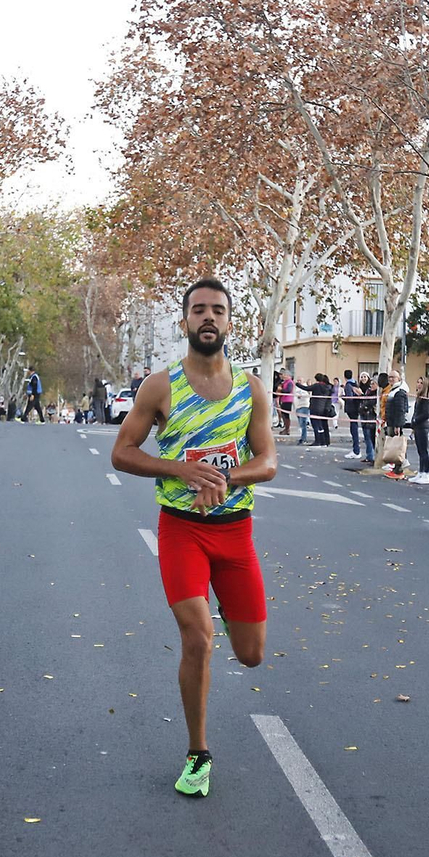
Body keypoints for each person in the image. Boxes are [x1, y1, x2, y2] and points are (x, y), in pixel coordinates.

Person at [110, 277, 276, 798]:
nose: (208, 318)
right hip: (181, 531)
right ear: (185, 322)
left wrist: (226, 477)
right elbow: (122, 452)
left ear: (230, 322)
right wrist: (180, 470)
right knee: (198, 639)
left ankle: (226, 606)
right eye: (199, 310)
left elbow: (268, 461)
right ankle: (198, 754)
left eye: (217, 310)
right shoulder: (160, 387)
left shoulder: (251, 389)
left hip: (235, 534)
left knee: (250, 654)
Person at [382, 371, 409, 476]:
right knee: (394, 446)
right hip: (391, 422)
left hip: (395, 423)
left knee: (397, 447)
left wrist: (398, 425)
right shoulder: (393, 390)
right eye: (389, 377)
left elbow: (400, 410)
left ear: (399, 378)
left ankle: (399, 470)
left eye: (393, 377)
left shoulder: (399, 392)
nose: (391, 379)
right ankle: (396, 468)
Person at [408, 378, 429, 481]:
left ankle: (425, 474)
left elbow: (426, 414)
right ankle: (421, 472)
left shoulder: (426, 399)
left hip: (423, 426)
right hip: (418, 426)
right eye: (418, 382)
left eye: (421, 383)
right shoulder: (419, 397)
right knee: (420, 450)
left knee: (424, 451)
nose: (418, 385)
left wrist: (415, 420)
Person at [308, 373, 333, 447]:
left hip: (321, 408)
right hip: (325, 409)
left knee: (319, 425)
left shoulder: (321, 387)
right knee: (324, 426)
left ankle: (320, 441)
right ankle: (325, 441)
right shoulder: (329, 388)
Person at [277, 370, 295, 436]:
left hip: (288, 400)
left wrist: (281, 389)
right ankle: (285, 428)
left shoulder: (290, 382)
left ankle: (287, 429)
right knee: (283, 415)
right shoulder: (285, 382)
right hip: (283, 400)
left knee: (286, 415)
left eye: (285, 375)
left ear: (288, 376)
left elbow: (288, 391)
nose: (283, 376)